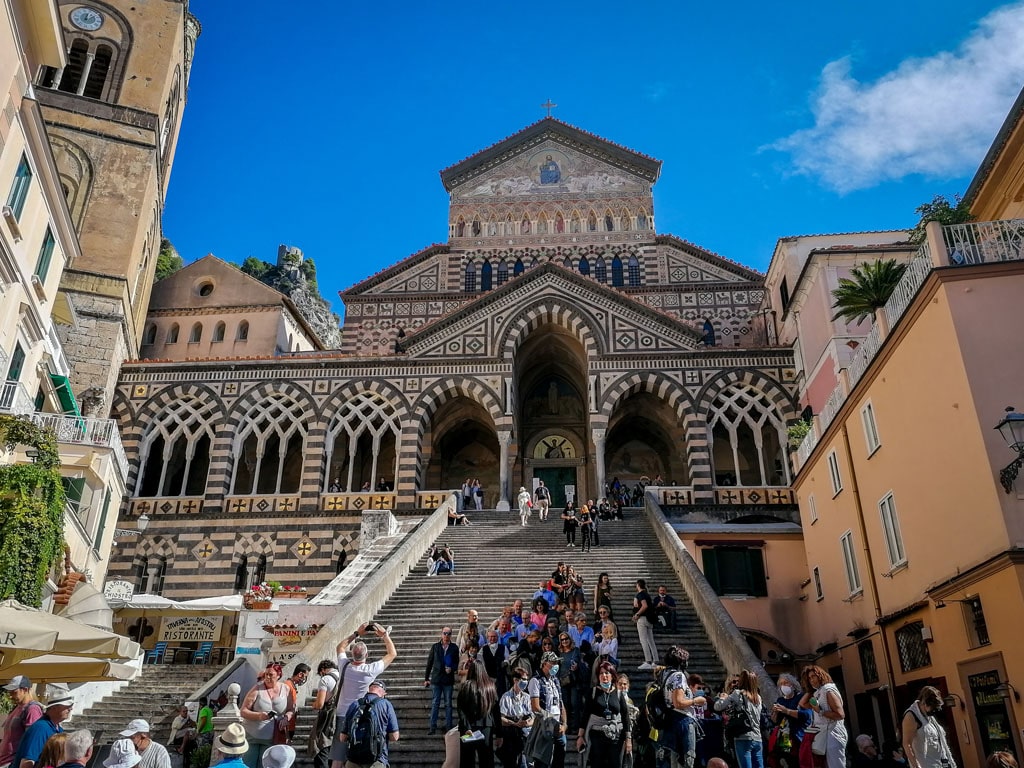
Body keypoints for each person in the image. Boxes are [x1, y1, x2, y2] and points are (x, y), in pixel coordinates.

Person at [330, 623, 397, 768]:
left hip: (343, 714)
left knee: (338, 757)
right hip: (364, 714)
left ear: (352, 654)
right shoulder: (370, 670)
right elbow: (392, 654)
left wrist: (357, 633)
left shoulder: (344, 666)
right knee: (365, 751)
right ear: (366, 655)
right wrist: (385, 635)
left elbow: (340, 647)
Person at [576, 662, 632, 768]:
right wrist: (580, 736)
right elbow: (585, 715)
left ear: (612, 675)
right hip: (597, 735)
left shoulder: (619, 694)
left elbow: (625, 717)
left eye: (606, 673)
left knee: (616, 764)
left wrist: (628, 739)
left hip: (616, 736)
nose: (604, 676)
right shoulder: (593, 692)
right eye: (601, 673)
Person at [240, 665, 295, 767]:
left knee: (266, 765)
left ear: (278, 675)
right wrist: (259, 716)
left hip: (274, 737)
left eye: (271, 675)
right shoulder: (257, 689)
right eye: (266, 674)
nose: (267, 677)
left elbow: (291, 709)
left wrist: (286, 718)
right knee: (249, 764)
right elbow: (243, 711)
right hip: (252, 737)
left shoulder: (286, 689)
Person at [660, 646, 706, 768]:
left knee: (675, 761)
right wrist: (696, 700)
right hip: (683, 721)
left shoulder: (665, 674)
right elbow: (678, 702)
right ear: (681, 662)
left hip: (672, 720)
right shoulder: (678, 676)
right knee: (687, 761)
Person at [339, 680, 399, 768]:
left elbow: (342, 738)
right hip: (376, 760)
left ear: (369, 690)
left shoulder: (354, 705)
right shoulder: (386, 704)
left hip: (353, 760)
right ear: (384, 693)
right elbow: (394, 737)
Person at [799, 666, 847, 768]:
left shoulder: (827, 689)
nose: (811, 680)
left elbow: (840, 714)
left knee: (836, 765)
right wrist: (810, 689)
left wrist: (820, 711)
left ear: (820, 675)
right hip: (824, 734)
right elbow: (803, 704)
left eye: (813, 676)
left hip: (834, 733)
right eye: (809, 678)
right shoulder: (818, 692)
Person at [714, 670, 763, 768]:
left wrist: (722, 698)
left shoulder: (738, 693)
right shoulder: (758, 697)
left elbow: (717, 707)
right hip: (758, 738)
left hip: (743, 737)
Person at [458, 660, 500, 768]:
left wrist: (467, 727)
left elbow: (461, 709)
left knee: (467, 760)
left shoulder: (466, 686)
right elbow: (496, 711)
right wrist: (499, 733)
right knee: (486, 759)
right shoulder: (490, 686)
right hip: (486, 726)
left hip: (469, 727)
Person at [12, 694, 74, 768]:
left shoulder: (57, 728)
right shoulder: (40, 729)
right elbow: (26, 763)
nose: (70, 709)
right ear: (54, 708)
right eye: (67, 706)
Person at [528, 652, 567, 768]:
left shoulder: (555, 680)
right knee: (543, 759)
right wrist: (551, 722)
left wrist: (564, 724)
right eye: (553, 663)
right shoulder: (536, 681)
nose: (556, 665)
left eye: (556, 663)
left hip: (558, 725)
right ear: (545, 664)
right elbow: (535, 707)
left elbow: (561, 703)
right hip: (544, 725)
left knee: (560, 756)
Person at [902, 686, 955, 768]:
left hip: (941, 763)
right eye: (932, 708)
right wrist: (916, 766)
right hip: (926, 764)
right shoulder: (911, 716)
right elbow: (907, 744)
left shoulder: (929, 717)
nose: (934, 711)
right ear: (924, 702)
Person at [424, 626, 460, 735]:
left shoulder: (454, 647)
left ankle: (449, 726)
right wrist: (426, 678)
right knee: (435, 703)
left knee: (448, 704)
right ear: (441, 634)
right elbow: (429, 663)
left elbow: (457, 663)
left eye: (448, 633)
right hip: (436, 679)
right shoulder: (435, 647)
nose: (446, 635)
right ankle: (432, 727)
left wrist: (452, 669)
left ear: (451, 635)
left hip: (448, 680)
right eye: (444, 633)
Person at [769, 673, 810, 768]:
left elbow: (806, 715)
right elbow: (775, 721)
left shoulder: (801, 697)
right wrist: (775, 713)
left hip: (799, 736)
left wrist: (786, 711)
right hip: (784, 739)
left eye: (786, 683)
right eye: (781, 684)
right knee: (789, 762)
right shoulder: (780, 700)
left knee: (801, 762)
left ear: (793, 685)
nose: (784, 686)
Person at [1, 676, 43, 768]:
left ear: (25, 689)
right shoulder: (17, 708)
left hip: (13, 763)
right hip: (5, 762)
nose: (11, 696)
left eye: (14, 692)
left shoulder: (33, 709)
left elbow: (32, 741)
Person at [498, 666, 534, 768]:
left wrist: (528, 723)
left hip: (526, 737)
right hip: (512, 738)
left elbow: (534, 717)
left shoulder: (527, 697)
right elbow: (501, 718)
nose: (525, 682)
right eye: (523, 679)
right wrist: (514, 723)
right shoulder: (506, 697)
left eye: (527, 680)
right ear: (515, 680)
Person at [311, 661, 339, 768]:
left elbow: (319, 704)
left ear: (322, 670)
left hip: (328, 718)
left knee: (322, 748)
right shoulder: (343, 677)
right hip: (342, 716)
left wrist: (314, 705)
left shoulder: (325, 679)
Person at [632, 579, 658, 670]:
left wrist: (637, 614)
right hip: (650, 619)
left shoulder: (640, 594)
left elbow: (644, 605)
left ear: (638, 585)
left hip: (643, 619)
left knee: (643, 640)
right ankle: (655, 660)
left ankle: (648, 661)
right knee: (651, 640)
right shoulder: (647, 594)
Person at [283, 665, 310, 742]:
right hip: (287, 725)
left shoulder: (292, 685)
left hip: (290, 724)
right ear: (300, 674)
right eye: (305, 676)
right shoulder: (288, 685)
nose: (304, 679)